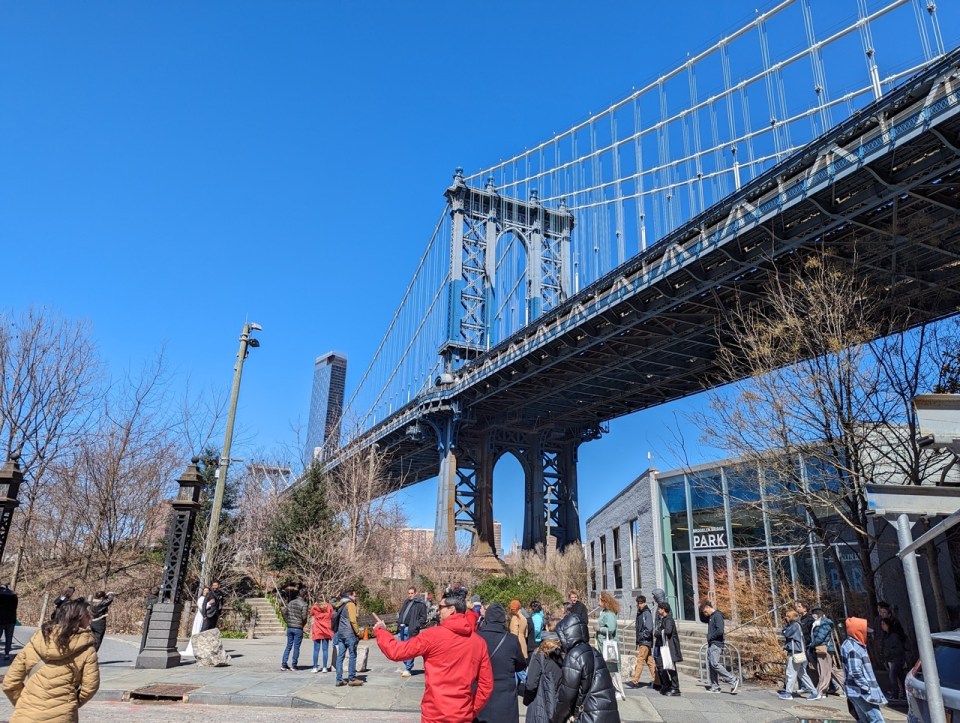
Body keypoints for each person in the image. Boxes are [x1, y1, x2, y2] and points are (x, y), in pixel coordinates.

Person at [372, 596, 493, 723]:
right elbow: (486, 684)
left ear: (452, 609)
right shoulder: (478, 642)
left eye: (441, 607)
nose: (438, 611)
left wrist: (381, 631)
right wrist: (472, 710)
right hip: (462, 713)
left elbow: (396, 651)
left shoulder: (432, 635)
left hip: (435, 714)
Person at [3, 599, 100, 721]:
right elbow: (90, 688)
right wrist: (69, 704)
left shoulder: (35, 643)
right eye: (88, 616)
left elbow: (10, 682)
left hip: (27, 714)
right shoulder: (87, 651)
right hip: (62, 716)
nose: (90, 619)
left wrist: (23, 703)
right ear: (79, 618)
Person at [553, 612, 621, 722]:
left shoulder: (574, 656)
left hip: (590, 716)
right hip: (606, 713)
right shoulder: (594, 652)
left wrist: (556, 719)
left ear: (566, 634)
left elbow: (567, 696)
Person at [476, 602, 526, 723]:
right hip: (505, 693)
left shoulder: (476, 638)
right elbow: (520, 665)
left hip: (480, 691)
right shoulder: (511, 640)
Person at [842, 617, 887, 723]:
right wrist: (866, 687)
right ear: (858, 631)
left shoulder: (849, 644)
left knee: (864, 720)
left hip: (854, 691)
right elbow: (855, 671)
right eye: (865, 631)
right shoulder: (854, 648)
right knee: (877, 720)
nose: (867, 634)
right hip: (861, 692)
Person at [523, 624, 563, 723]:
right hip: (558, 705)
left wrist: (527, 699)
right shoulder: (564, 655)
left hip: (539, 702)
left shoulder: (539, 655)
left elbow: (531, 684)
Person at [699, 600, 740, 694]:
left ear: (708, 608)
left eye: (705, 611)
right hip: (711, 643)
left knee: (714, 664)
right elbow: (702, 619)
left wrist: (710, 637)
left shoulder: (717, 616)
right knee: (711, 665)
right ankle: (715, 686)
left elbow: (720, 631)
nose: (705, 614)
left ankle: (732, 680)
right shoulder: (711, 616)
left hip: (716, 643)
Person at [808, 607, 845, 700]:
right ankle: (847, 687)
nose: (813, 617)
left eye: (814, 615)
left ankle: (821, 691)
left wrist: (812, 644)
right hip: (825, 649)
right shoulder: (820, 623)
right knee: (832, 670)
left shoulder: (824, 623)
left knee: (823, 670)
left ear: (817, 615)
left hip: (824, 649)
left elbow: (820, 637)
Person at [779, 609, 816, 700]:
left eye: (787, 616)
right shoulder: (797, 625)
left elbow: (786, 633)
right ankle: (814, 691)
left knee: (790, 672)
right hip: (799, 651)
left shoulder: (794, 625)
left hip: (795, 652)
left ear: (791, 617)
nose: (785, 618)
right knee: (802, 673)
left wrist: (784, 627)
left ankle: (788, 693)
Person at [596, 591, 625, 701]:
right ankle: (611, 689)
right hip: (603, 644)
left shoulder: (610, 614)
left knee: (613, 668)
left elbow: (611, 629)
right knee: (607, 668)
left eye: (600, 599)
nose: (598, 602)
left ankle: (618, 690)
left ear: (604, 601)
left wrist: (600, 629)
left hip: (609, 645)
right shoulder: (604, 612)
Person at [396, 585, 428, 677]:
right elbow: (402, 613)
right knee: (402, 649)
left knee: (410, 649)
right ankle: (407, 665)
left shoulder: (420, 604)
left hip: (411, 628)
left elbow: (423, 618)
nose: (410, 595)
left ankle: (408, 668)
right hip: (402, 628)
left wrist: (416, 625)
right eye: (409, 593)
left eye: (412, 593)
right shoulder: (406, 602)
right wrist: (399, 622)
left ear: (415, 593)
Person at [334, 588, 363, 686]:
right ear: (349, 596)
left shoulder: (340, 604)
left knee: (340, 657)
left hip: (340, 633)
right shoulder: (350, 604)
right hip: (349, 634)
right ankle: (352, 678)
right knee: (352, 655)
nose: (355, 598)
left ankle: (339, 679)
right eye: (354, 596)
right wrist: (358, 632)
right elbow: (353, 620)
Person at [629, 594, 658, 689]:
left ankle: (635, 680)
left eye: (640, 603)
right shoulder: (641, 613)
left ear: (644, 603)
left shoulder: (646, 613)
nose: (639, 605)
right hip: (644, 640)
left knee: (640, 659)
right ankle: (657, 680)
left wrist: (642, 637)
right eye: (638, 603)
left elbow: (649, 628)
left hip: (645, 641)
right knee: (650, 661)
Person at [655, 602, 683, 696]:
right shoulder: (663, 619)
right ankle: (666, 684)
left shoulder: (669, 620)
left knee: (671, 667)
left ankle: (676, 688)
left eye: (659, 608)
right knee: (660, 666)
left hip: (670, 647)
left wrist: (657, 632)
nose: (658, 610)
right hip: (663, 646)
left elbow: (668, 631)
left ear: (663, 609)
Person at [281, 587, 309, 671]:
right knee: (296, 647)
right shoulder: (304, 604)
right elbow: (304, 617)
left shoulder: (291, 602)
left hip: (290, 627)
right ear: (305, 596)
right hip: (298, 628)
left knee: (288, 646)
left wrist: (287, 621)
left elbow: (285, 612)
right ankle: (294, 665)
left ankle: (284, 664)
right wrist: (302, 624)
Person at [880, 617, 907, 701]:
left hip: (896, 658)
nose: (882, 626)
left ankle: (896, 693)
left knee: (893, 676)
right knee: (900, 676)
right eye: (881, 624)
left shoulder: (894, 636)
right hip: (891, 659)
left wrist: (889, 654)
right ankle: (902, 693)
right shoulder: (886, 636)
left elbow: (898, 648)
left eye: (884, 624)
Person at [309, 597, 334, 673]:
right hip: (326, 629)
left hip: (317, 629)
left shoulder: (315, 607)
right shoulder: (329, 606)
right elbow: (332, 615)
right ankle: (324, 667)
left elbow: (311, 614)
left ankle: (315, 667)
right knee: (325, 650)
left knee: (316, 650)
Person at [0, 583, 19, 662]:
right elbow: (15, 607)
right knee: (9, 638)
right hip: (11, 620)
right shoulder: (14, 595)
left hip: (0, 620)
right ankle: (7, 654)